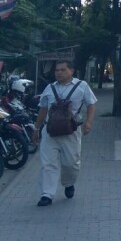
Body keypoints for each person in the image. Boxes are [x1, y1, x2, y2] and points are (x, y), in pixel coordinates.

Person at [32, 61, 97, 206]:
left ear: (72, 71)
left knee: (71, 163)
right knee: (48, 164)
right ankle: (47, 194)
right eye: (57, 70)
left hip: (71, 131)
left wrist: (89, 122)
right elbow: (43, 109)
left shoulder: (82, 86)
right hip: (50, 131)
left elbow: (91, 104)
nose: (59, 73)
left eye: (63, 70)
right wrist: (36, 129)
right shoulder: (49, 88)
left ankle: (69, 183)